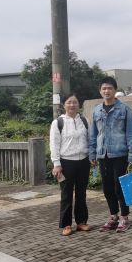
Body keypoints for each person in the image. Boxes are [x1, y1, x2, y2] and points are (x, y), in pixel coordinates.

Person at [89, 76, 132, 233]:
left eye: (109, 88)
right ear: (100, 91)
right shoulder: (97, 110)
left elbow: (131, 133)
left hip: (120, 154)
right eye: (104, 88)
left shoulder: (124, 109)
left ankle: (124, 217)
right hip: (102, 155)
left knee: (120, 187)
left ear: (115, 90)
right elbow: (93, 134)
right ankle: (113, 216)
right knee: (107, 187)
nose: (107, 91)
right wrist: (92, 154)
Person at [50, 93, 91, 236]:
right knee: (66, 194)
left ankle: (81, 222)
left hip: (84, 161)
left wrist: (92, 156)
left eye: (75, 102)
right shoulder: (58, 123)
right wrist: (56, 164)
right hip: (66, 162)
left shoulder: (84, 120)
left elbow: (90, 140)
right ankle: (66, 224)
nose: (72, 105)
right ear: (64, 105)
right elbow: (54, 144)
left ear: (79, 104)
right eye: (69, 102)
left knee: (81, 193)